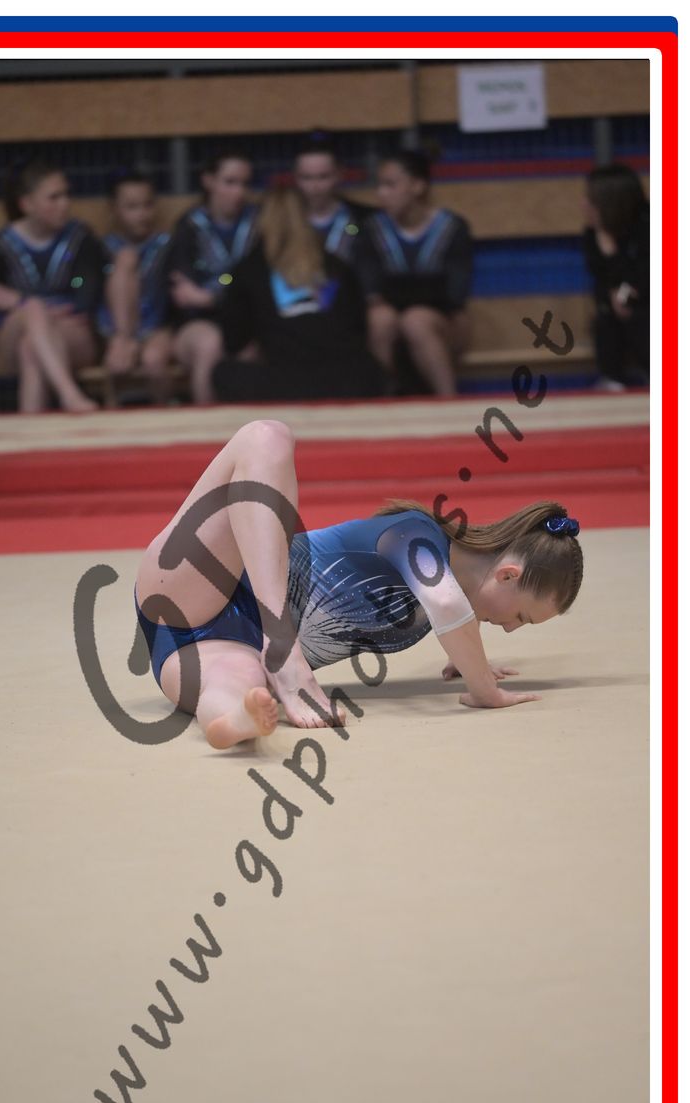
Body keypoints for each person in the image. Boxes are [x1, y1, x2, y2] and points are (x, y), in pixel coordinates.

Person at [134, 420, 583, 750]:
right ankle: (279, 641)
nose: (510, 628)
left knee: (239, 690)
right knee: (267, 437)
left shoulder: (449, 597)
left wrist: (469, 660)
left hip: (200, 652)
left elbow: (452, 611)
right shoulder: (416, 534)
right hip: (200, 581)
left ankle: (236, 721)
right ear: (507, 574)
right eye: (521, 616)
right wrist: (484, 689)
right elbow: (446, 604)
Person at [211, 186, 383, 402]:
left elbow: (234, 340)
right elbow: (358, 327)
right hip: (348, 380)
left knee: (224, 372)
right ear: (305, 217)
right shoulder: (335, 265)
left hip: (285, 381)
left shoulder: (249, 270)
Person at [0, 159, 105, 413]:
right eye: (54, 198)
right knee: (33, 310)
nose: (64, 204)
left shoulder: (79, 238)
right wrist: (29, 306)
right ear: (26, 204)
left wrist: (24, 301)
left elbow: (85, 286)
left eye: (66, 195)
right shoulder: (3, 245)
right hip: (18, 329)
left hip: (71, 330)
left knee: (31, 346)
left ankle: (30, 425)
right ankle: (70, 395)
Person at [358, 149, 473, 396]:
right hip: (391, 320)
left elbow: (456, 293)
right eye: (379, 185)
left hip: (445, 322)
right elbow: (369, 285)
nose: (381, 193)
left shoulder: (452, 227)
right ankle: (381, 402)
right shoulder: (372, 229)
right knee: (380, 318)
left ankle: (449, 400)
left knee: (416, 320)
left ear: (418, 186)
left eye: (390, 185)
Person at [166, 154, 258, 405]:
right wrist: (215, 299)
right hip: (199, 323)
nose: (239, 192)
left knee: (262, 343)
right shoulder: (190, 225)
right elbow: (184, 295)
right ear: (208, 181)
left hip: (248, 320)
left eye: (245, 183)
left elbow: (261, 286)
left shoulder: (259, 222)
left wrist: (211, 297)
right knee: (210, 344)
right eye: (230, 182)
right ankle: (206, 422)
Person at [97, 172, 174, 401]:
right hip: (112, 331)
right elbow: (83, 286)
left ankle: (167, 413)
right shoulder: (103, 248)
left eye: (147, 205)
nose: (141, 214)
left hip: (157, 327)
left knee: (153, 360)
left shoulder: (167, 244)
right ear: (114, 209)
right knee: (116, 362)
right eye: (132, 207)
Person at [582, 163, 650, 390]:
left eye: (591, 200)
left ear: (611, 202)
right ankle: (611, 379)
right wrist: (610, 255)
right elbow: (601, 278)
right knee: (606, 313)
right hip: (619, 301)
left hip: (648, 302)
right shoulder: (594, 232)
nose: (584, 205)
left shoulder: (650, 226)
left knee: (642, 314)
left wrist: (623, 291)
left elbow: (646, 277)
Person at [292, 131, 372, 266]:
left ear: (340, 174)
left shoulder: (364, 220)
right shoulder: (283, 220)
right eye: (306, 177)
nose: (315, 186)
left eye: (323, 177)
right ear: (295, 177)